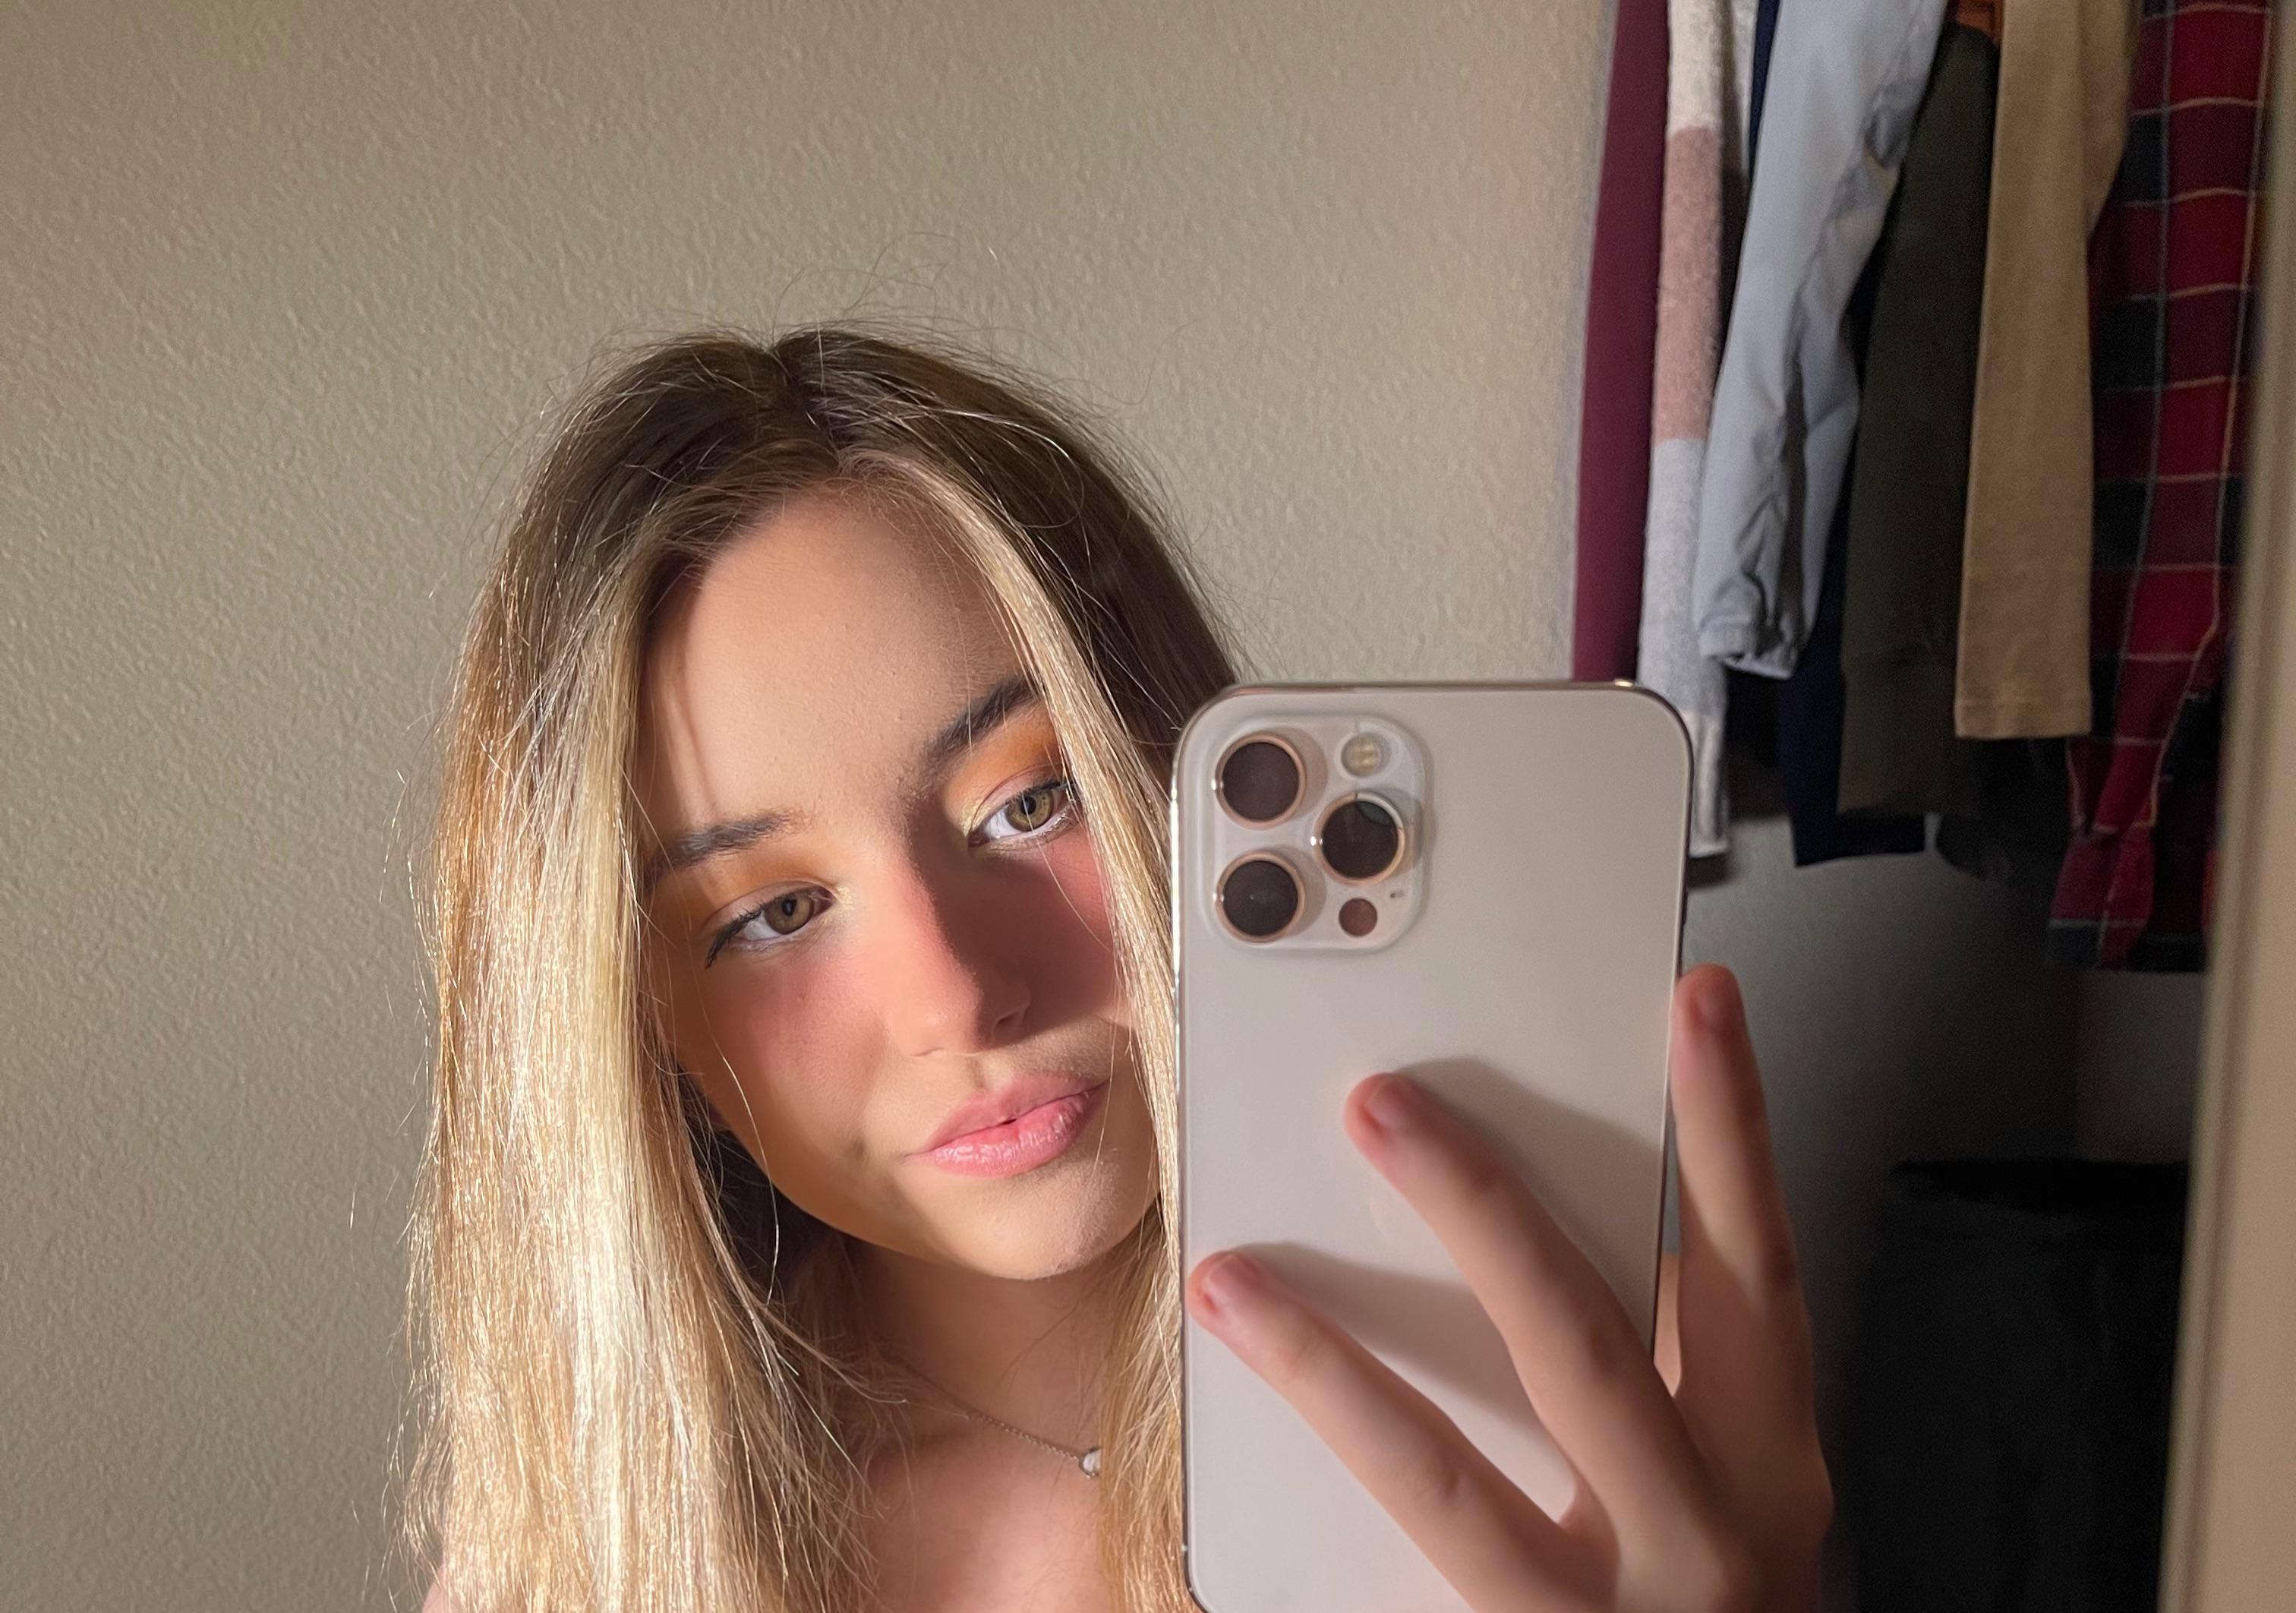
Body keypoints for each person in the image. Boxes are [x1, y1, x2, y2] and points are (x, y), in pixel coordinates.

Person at [403, 327, 1831, 1613]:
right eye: (774, 912)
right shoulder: (587, 1551)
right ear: (633, 1024)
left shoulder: (1615, 1415)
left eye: (1033, 800)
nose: (960, 995)